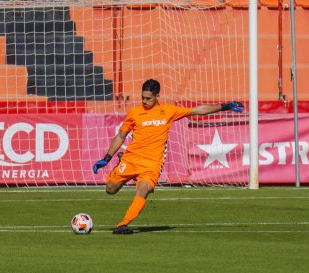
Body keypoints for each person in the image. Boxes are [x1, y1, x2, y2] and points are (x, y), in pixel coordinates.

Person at [93, 79, 244, 234]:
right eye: (142, 98)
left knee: (143, 189)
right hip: (131, 159)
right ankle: (120, 163)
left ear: (157, 95)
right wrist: (107, 157)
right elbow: (121, 135)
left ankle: (123, 224)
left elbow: (197, 110)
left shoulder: (168, 111)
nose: (144, 101)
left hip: (152, 164)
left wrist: (224, 107)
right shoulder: (135, 113)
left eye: (148, 98)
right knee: (110, 189)